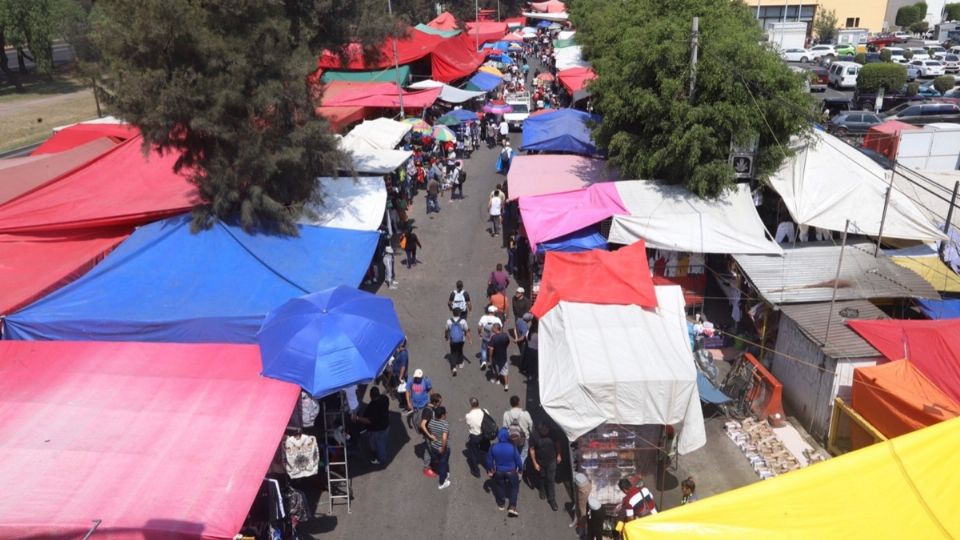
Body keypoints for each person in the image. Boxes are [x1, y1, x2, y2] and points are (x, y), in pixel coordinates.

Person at [486, 427, 523, 516]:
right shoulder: (512, 447)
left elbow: (489, 461)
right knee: (514, 487)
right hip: (511, 471)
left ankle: (501, 504)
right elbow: (518, 460)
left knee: (500, 486)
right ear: (507, 436)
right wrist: (520, 469)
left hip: (498, 471)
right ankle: (512, 506)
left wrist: (490, 470)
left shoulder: (493, 447)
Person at [528, 422, 562, 511]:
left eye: (546, 430)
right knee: (542, 477)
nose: (545, 432)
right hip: (540, 462)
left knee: (551, 479)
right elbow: (531, 450)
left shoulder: (553, 433)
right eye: (543, 431)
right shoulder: (534, 436)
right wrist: (535, 463)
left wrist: (558, 454)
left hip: (552, 461)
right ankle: (542, 490)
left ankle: (552, 499)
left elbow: (557, 443)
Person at [356, 387, 390, 465]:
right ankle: (377, 453)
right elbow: (383, 396)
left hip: (377, 429)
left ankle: (382, 459)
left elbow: (369, 420)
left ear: (371, 396)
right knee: (382, 441)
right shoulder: (385, 399)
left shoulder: (373, 406)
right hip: (386, 425)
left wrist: (357, 418)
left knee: (379, 444)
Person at [502, 395, 533, 466]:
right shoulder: (525, 414)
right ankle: (519, 469)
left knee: (513, 452)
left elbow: (504, 427)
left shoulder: (506, 414)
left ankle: (514, 465)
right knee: (523, 454)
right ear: (519, 402)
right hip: (524, 437)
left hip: (512, 438)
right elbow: (531, 426)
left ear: (510, 403)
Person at [418, 392, 443, 477]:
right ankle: (427, 468)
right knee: (430, 450)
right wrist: (430, 435)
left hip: (431, 434)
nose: (440, 404)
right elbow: (422, 424)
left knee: (428, 449)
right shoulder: (428, 412)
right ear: (434, 402)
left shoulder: (430, 406)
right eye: (439, 402)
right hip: (429, 435)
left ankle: (433, 460)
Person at [427, 406, 452, 490]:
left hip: (434, 446)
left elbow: (430, 431)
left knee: (440, 461)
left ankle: (445, 473)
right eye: (445, 413)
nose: (446, 414)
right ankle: (442, 483)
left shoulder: (431, 421)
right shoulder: (444, 424)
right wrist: (442, 448)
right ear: (442, 415)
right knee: (443, 464)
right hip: (442, 448)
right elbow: (444, 438)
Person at [445, 307, 472, 376]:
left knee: (453, 353)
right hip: (461, 340)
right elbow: (467, 330)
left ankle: (454, 367)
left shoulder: (449, 321)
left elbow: (446, 330)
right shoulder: (463, 321)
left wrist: (446, 336)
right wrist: (470, 339)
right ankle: (460, 363)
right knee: (460, 350)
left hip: (453, 340)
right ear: (459, 313)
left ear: (453, 313)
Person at [464, 397, 486, 477]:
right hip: (484, 435)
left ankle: (476, 472)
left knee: (473, 454)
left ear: (471, 405)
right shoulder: (485, 411)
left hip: (475, 437)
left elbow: (469, 425)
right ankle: (489, 468)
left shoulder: (468, 416)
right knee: (485, 452)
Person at [488, 323, 512, 390]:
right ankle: (506, 385)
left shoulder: (493, 338)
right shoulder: (505, 335)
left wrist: (490, 357)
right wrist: (504, 348)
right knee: (505, 371)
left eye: (493, 327)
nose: (492, 328)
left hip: (495, 357)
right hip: (503, 356)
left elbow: (491, 349)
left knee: (495, 368)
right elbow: (508, 343)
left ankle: (497, 380)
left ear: (496, 328)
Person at [477, 306, 502, 371]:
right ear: (494, 312)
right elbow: (500, 328)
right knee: (494, 349)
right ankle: (494, 361)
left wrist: (479, 333)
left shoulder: (484, 317)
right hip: (494, 338)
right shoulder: (497, 319)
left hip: (485, 336)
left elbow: (479, 327)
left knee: (484, 349)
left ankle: (484, 362)